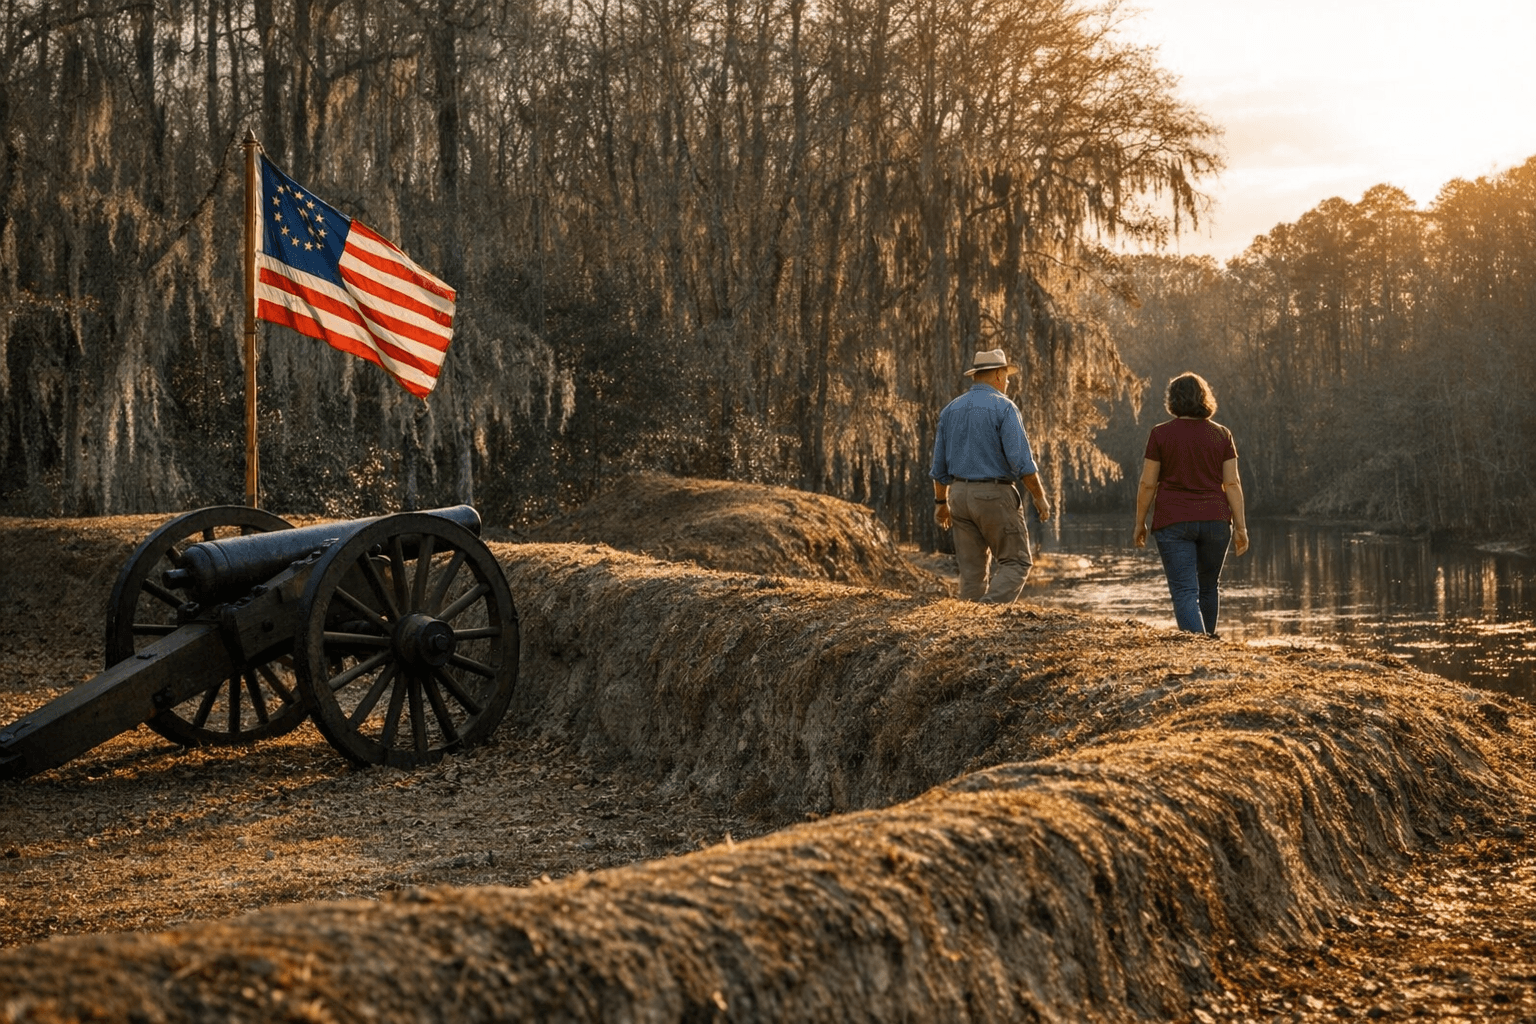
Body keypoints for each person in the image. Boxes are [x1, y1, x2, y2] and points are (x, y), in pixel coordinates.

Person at [930, 348, 1053, 603]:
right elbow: (1022, 462)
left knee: (972, 572)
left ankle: (969, 622)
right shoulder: (1004, 407)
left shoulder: (950, 410)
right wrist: (1040, 497)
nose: (1007, 382)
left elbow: (938, 469)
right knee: (1016, 561)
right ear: (998, 374)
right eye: (1007, 376)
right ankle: (986, 612)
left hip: (959, 497)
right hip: (993, 495)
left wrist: (941, 503)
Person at [1133, 371, 1250, 636]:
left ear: (1172, 400)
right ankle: (1207, 642)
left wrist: (1140, 522)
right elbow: (1232, 484)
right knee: (1208, 587)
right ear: (1204, 398)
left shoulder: (1160, 434)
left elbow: (1147, 484)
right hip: (1216, 521)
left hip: (1173, 521)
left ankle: (1200, 646)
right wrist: (1241, 526)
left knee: (1185, 590)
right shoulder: (1222, 434)